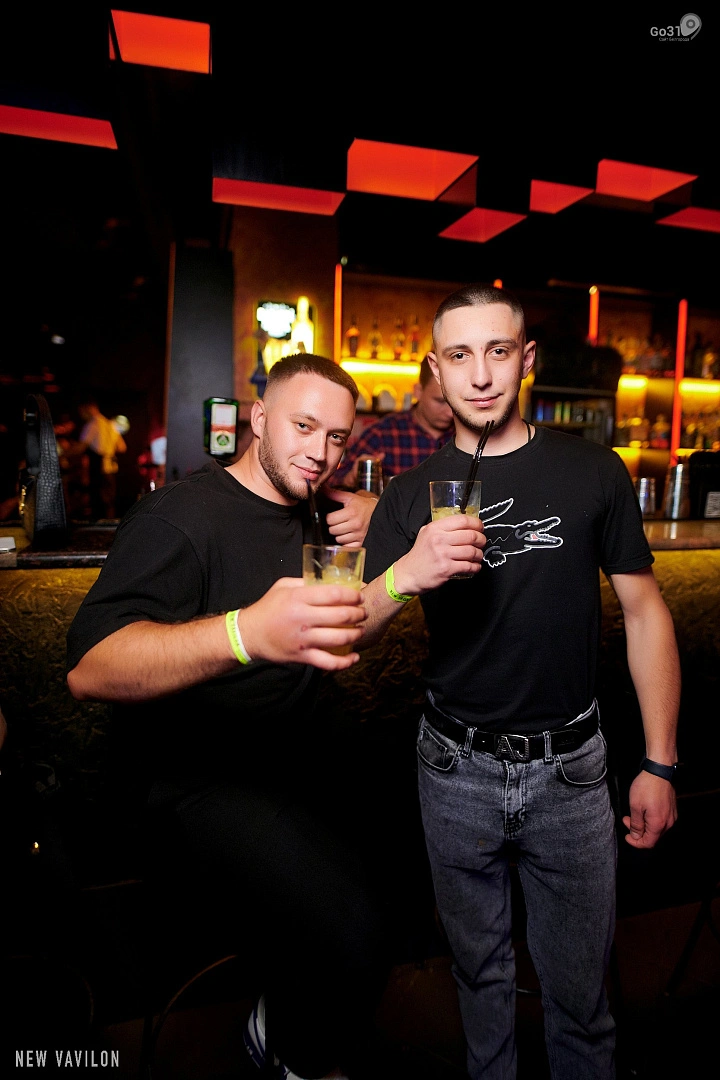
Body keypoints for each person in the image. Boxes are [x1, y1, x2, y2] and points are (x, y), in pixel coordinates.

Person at [358, 284, 680, 1080]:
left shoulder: (592, 471)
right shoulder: (408, 493)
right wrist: (405, 571)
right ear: (435, 369)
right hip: (453, 767)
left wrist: (660, 760)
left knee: (581, 1001)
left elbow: (645, 613)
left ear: (526, 358)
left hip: (572, 770)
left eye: (498, 351)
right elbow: (353, 630)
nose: (480, 375)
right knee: (480, 982)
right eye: (459, 355)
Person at [65, 354, 390, 1080]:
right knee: (352, 928)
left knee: (416, 860)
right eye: (304, 426)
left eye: (337, 438)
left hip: (292, 756)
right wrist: (245, 633)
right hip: (195, 782)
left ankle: (297, 1008)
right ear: (259, 419)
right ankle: (296, 1057)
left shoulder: (315, 509)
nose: (320, 452)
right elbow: (89, 667)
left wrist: (385, 511)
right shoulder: (181, 517)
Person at [332, 355, 454, 489]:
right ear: (418, 391)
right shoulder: (382, 434)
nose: (450, 413)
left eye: (454, 402)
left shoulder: (466, 435)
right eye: (440, 401)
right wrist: (351, 479)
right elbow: (333, 483)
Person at [76, 397, 127, 519]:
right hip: (111, 468)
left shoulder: (93, 424)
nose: (81, 415)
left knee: (98, 502)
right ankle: (110, 526)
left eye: (82, 411)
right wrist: (109, 448)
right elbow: (122, 447)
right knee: (109, 501)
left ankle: (99, 527)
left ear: (88, 408)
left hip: (98, 468)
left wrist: (62, 455)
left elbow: (81, 447)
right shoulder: (110, 424)